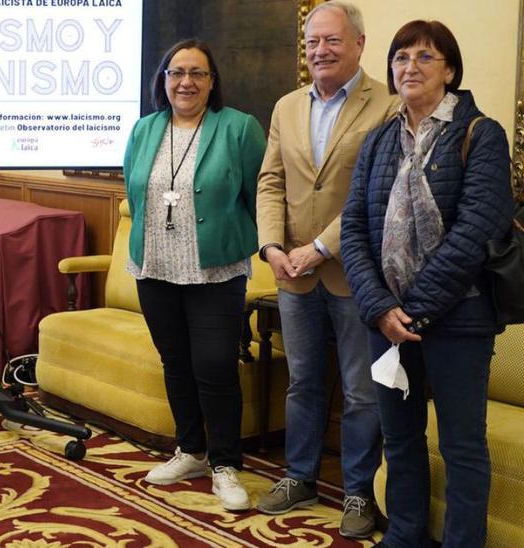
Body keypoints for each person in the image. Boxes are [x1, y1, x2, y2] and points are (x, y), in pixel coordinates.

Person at [341, 20, 514, 548]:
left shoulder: (481, 134)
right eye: (400, 58)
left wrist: (414, 311)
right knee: (399, 439)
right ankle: (405, 535)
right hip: (386, 321)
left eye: (424, 58)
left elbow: (477, 230)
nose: (409, 68)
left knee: (462, 446)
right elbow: (353, 229)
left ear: (451, 71)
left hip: (458, 319)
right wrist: (379, 306)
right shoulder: (377, 141)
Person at [253, 1, 396, 536]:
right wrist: (271, 246)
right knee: (303, 381)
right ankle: (300, 476)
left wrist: (320, 246)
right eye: (313, 42)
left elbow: (372, 194)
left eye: (332, 41)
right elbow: (271, 182)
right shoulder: (287, 105)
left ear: (359, 44)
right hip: (292, 270)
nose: (320, 51)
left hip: (354, 272)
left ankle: (358, 492)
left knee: (362, 391)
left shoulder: (385, 105)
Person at [126, 39, 266, 512]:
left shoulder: (239, 128)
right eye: (176, 72)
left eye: (198, 74)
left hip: (216, 269)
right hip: (155, 266)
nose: (186, 82)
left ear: (212, 82)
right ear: (163, 79)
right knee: (176, 362)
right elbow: (135, 188)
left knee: (215, 365)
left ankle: (225, 464)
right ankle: (190, 451)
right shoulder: (146, 129)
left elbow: (258, 195)